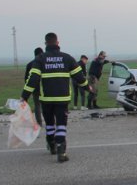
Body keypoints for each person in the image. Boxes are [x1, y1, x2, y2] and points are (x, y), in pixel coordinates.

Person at [21, 33, 89, 162]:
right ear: (58, 43)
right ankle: (61, 150)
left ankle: (51, 145)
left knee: (50, 124)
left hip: (46, 99)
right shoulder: (67, 58)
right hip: (62, 99)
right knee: (61, 124)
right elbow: (79, 77)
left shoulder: (40, 59)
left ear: (46, 44)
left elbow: (33, 79)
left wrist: (24, 96)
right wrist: (87, 87)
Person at [24, 47, 44, 126]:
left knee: (37, 105)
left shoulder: (29, 64)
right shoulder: (45, 62)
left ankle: (39, 122)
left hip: (34, 88)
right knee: (47, 105)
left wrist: (28, 90)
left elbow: (26, 78)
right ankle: (50, 121)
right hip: (45, 87)